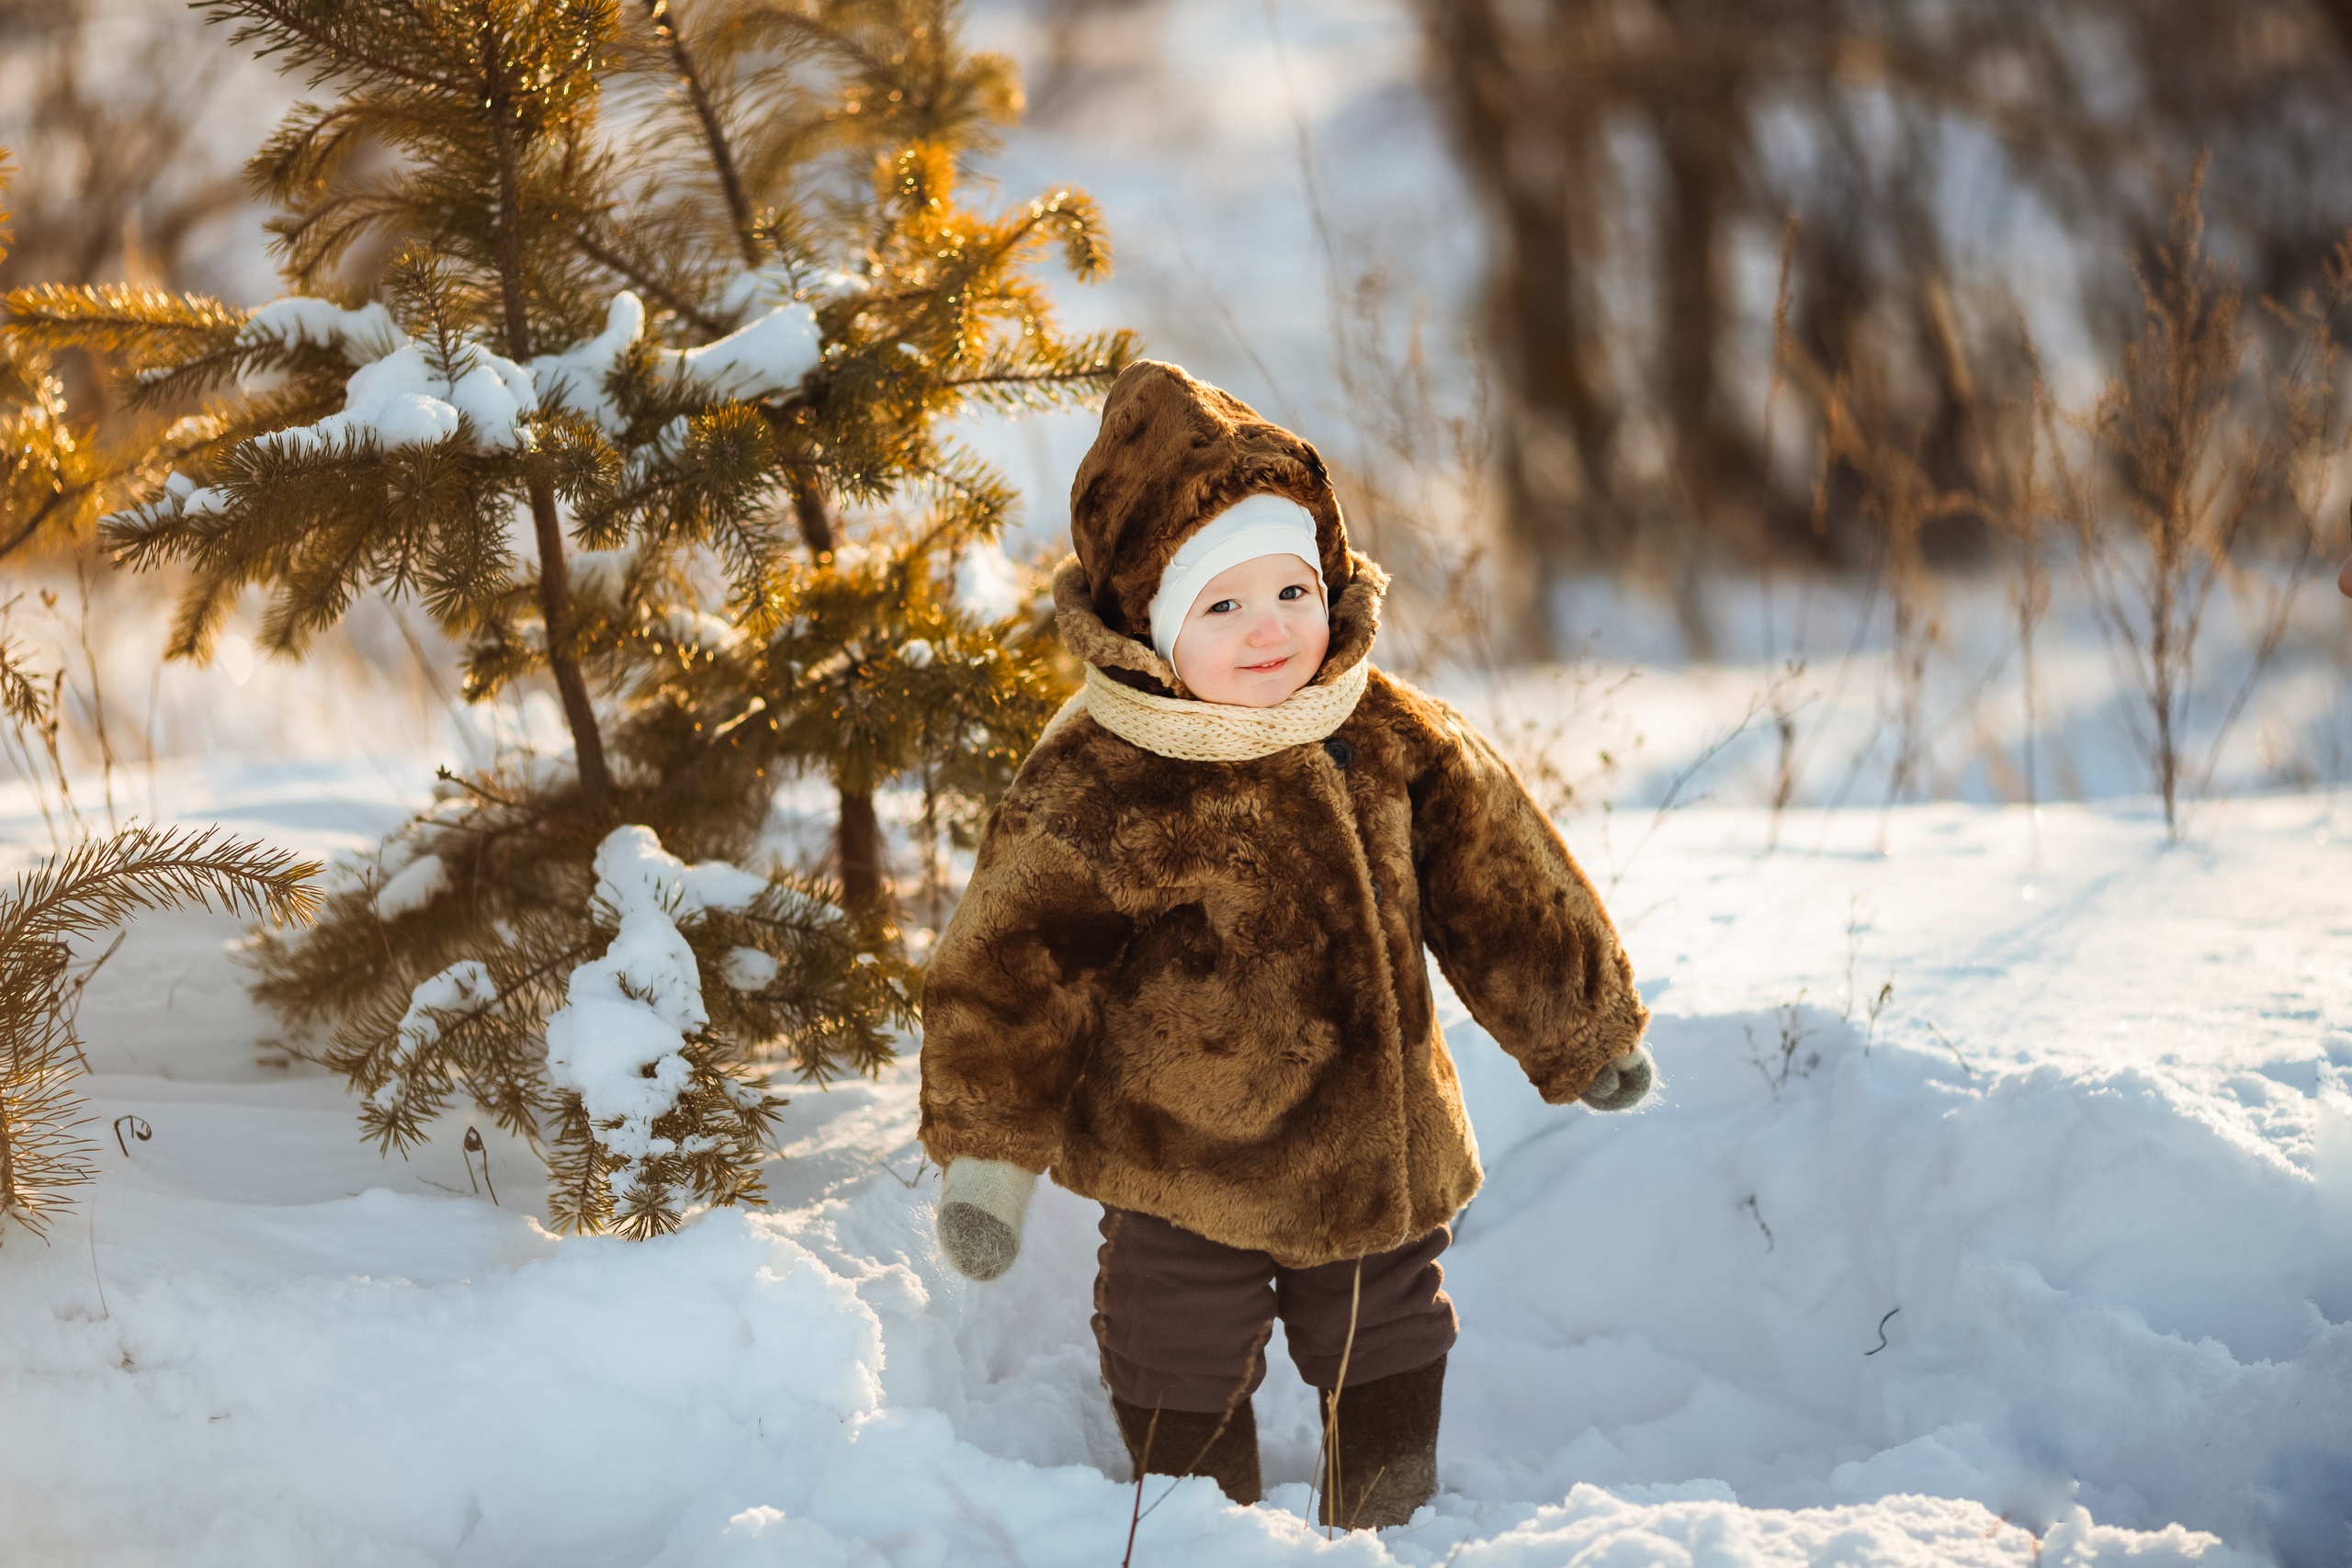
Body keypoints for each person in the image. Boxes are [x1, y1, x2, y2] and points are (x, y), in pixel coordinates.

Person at [916, 360, 1653, 1530]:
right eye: (1222, 607)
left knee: (1387, 1322)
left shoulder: (1391, 733)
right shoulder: (1101, 778)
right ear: (1152, 626)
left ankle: (1387, 1509)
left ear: (1331, 581)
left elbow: (1501, 883)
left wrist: (1582, 1028)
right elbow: (1013, 964)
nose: (1269, 630)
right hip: (1184, 1157)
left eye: (1292, 591)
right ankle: (1197, 1526)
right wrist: (990, 1159)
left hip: (1373, 1135)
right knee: (1173, 1331)